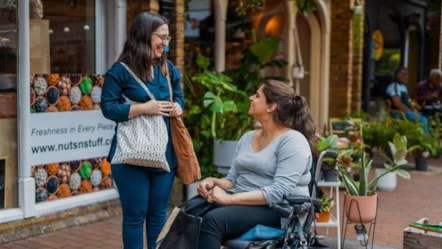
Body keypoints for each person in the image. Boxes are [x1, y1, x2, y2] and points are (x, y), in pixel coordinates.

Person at [186, 79, 318, 249]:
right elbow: (233, 180)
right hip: (243, 202)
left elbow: (278, 192)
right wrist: (214, 181)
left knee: (214, 221)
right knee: (191, 210)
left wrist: (228, 199)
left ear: (271, 106)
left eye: (257, 96)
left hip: (279, 211)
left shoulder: (292, 141)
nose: (251, 98)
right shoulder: (248, 137)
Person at [100, 12, 184, 249]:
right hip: (130, 155)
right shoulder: (119, 71)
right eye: (162, 37)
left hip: (164, 155)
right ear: (145, 35)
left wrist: (178, 106)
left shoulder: (168, 69)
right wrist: (142, 108)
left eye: (169, 38)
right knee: (135, 217)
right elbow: (108, 108)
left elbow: (178, 96)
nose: (166, 43)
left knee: (158, 215)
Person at [385, 67, 429, 133]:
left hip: (406, 112)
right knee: (423, 120)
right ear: (398, 76)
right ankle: (426, 141)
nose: (407, 77)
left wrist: (413, 110)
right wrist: (411, 112)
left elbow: (406, 102)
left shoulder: (403, 87)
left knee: (427, 116)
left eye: (407, 74)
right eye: (404, 74)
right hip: (397, 113)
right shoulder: (394, 87)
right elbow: (398, 104)